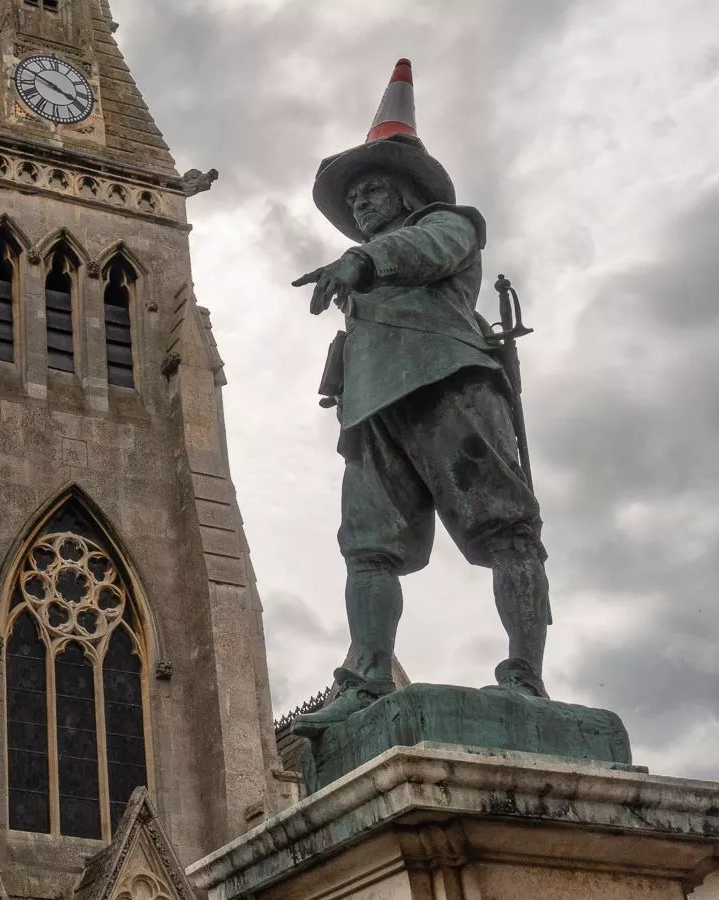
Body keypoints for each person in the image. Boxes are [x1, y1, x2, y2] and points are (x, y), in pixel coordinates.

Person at [290, 59, 550, 732]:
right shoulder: (369, 266)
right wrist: (337, 375)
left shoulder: (449, 225)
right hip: (373, 410)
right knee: (367, 551)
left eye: (373, 191)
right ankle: (366, 678)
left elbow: (425, 250)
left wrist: (363, 261)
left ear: (407, 194)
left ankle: (525, 675)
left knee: (505, 531)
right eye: (355, 201)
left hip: (449, 384)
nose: (361, 206)